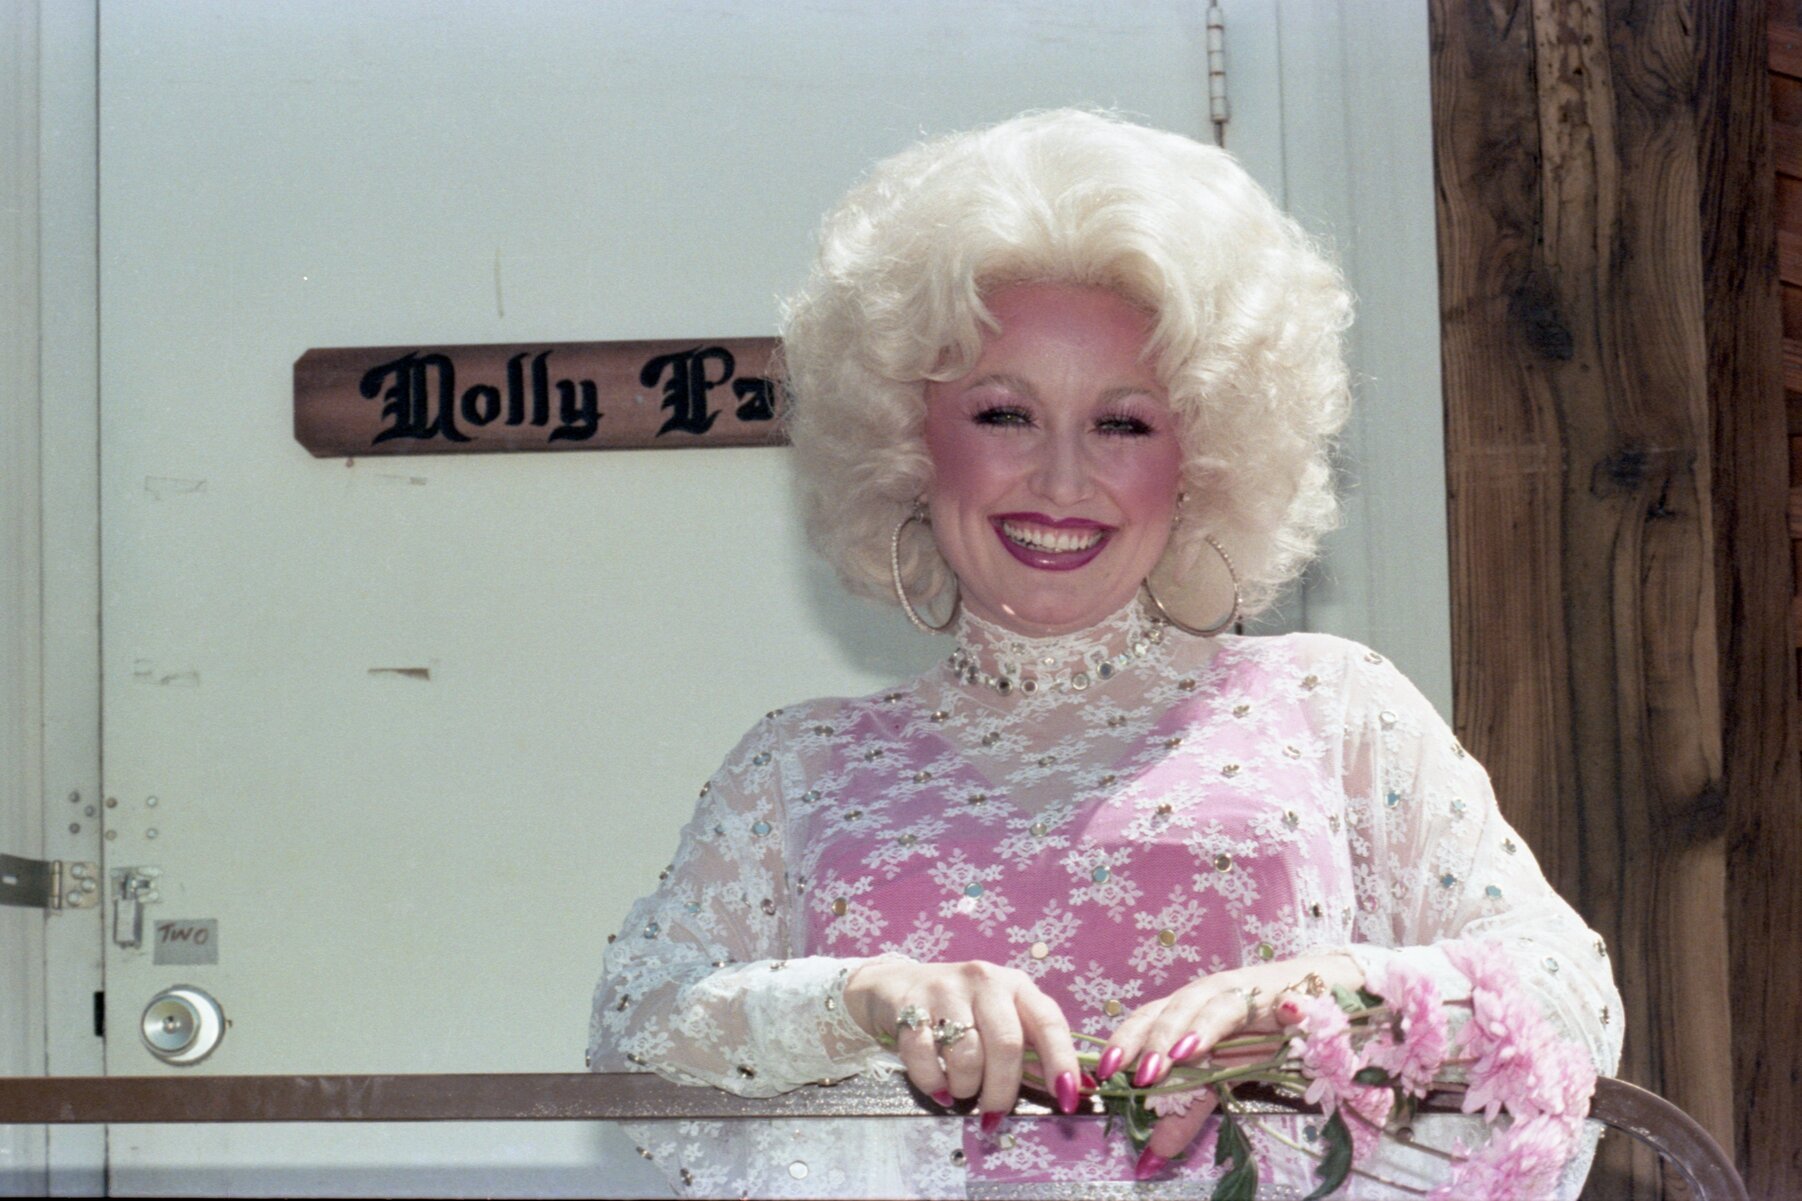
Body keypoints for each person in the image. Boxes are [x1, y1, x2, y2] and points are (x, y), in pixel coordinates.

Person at [588, 109, 1622, 1199]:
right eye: (1003, 413)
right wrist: (864, 996)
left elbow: (1561, 996)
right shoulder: (794, 766)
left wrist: (1322, 992)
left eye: (1121, 423)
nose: (1062, 480)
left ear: (1201, 456)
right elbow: (636, 1031)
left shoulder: (1331, 706)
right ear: (906, 435)